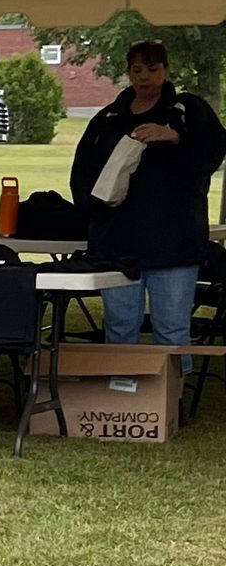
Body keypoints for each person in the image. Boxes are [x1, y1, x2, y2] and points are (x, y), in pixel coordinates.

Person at [71, 39, 226, 352]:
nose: (144, 77)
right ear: (128, 73)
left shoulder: (188, 110)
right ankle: (120, 396)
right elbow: (83, 174)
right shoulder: (108, 118)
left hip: (174, 243)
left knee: (171, 331)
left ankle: (169, 400)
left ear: (166, 71)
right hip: (117, 245)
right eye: (137, 69)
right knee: (119, 330)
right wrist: (96, 210)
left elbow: (210, 157)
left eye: (152, 69)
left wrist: (176, 137)